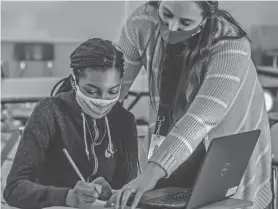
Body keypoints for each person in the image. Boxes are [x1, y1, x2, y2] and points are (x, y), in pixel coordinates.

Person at [108, 1, 272, 209]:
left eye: (185, 22)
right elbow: (110, 84)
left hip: (224, 163)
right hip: (166, 155)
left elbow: (202, 117)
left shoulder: (231, 45)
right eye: (166, 14)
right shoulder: (143, 22)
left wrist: (152, 172)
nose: (172, 27)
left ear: (205, 19)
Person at [3, 38, 140, 209]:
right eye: (91, 91)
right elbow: (14, 189)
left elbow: (129, 188)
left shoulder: (124, 120)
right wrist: (66, 196)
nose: (103, 101)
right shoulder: (50, 112)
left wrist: (112, 192)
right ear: (74, 81)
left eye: (113, 91)